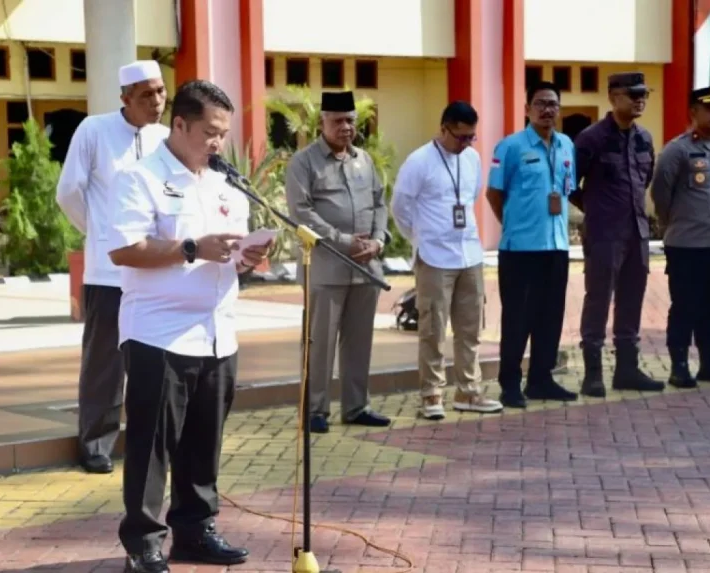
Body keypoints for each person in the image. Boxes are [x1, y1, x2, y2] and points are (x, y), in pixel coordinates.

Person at [106, 80, 260, 573]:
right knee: (153, 445)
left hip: (218, 332)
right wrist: (192, 247)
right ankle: (143, 542)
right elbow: (124, 249)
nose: (218, 142)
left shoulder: (226, 184)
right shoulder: (139, 178)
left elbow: (229, 258)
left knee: (203, 443)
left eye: (223, 134)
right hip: (159, 334)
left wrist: (249, 257)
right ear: (179, 124)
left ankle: (195, 531)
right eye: (210, 132)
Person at [55, 60, 169, 474]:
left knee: (154, 357)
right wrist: (101, 234)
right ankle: (96, 444)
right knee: (105, 361)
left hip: (155, 267)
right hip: (108, 272)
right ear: (124, 98)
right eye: (146, 95)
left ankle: (149, 439)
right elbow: (68, 191)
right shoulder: (94, 130)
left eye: (160, 91)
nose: (157, 101)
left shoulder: (167, 138)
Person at [285, 91, 392, 433]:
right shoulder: (304, 162)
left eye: (351, 120)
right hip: (326, 268)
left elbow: (379, 203)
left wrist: (378, 240)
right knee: (319, 343)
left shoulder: (364, 160)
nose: (346, 127)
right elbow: (301, 213)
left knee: (359, 342)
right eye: (338, 121)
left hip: (365, 268)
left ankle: (356, 406)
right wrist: (345, 241)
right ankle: (315, 410)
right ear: (322, 123)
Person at [391, 101, 503, 420]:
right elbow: (400, 206)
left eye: (472, 137)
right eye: (461, 136)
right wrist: (421, 237)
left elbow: (469, 199)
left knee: (470, 327)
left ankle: (468, 391)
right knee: (433, 327)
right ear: (443, 129)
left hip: (469, 252)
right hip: (434, 255)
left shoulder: (472, 158)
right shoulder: (419, 161)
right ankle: (431, 394)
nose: (466, 143)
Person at [569, 72, 665, 398]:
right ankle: (593, 374)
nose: (640, 100)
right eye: (633, 94)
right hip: (604, 233)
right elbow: (570, 185)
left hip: (637, 232)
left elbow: (645, 179)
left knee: (631, 301)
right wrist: (596, 208)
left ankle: (627, 369)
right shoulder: (590, 139)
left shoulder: (644, 139)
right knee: (597, 299)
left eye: (644, 95)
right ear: (612, 98)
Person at [485, 81, 577, 409]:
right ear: (526, 109)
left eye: (552, 104)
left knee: (550, 316)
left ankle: (541, 379)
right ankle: (509, 383)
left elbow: (566, 191)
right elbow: (494, 194)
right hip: (520, 250)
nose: (547, 110)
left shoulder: (567, 145)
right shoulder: (509, 147)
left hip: (557, 247)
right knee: (517, 319)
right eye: (539, 103)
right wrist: (513, 225)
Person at [651, 87, 710, 388]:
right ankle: (679, 365)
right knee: (685, 306)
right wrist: (673, 225)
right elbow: (660, 194)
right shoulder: (677, 150)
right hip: (687, 246)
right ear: (693, 112)